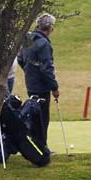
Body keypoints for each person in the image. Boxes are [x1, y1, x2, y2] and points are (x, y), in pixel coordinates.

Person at [18, 13, 58, 158]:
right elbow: (47, 68)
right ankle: (42, 147)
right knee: (42, 118)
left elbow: (21, 59)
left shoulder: (29, 38)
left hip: (31, 83)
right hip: (41, 87)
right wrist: (54, 87)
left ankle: (36, 145)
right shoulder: (44, 44)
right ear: (49, 28)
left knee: (34, 115)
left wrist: (29, 72)